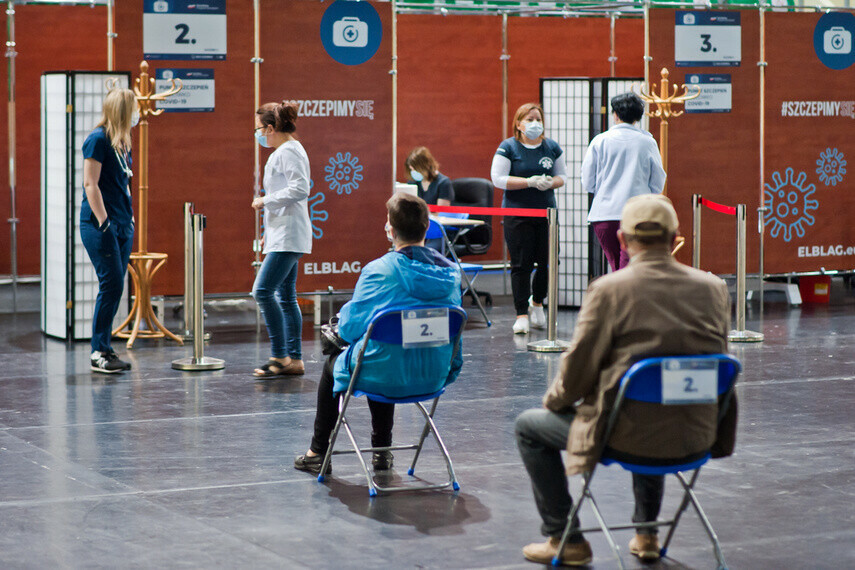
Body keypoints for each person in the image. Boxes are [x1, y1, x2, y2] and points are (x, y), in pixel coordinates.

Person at [514, 194, 735, 566]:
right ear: (675, 237)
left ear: (621, 238)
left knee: (529, 427)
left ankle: (565, 538)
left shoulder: (609, 290)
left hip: (624, 435)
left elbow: (577, 371)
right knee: (657, 396)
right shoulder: (713, 288)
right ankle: (647, 533)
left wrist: (554, 402)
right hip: (696, 433)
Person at [294, 193, 462, 475]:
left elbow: (349, 329)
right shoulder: (453, 275)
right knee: (381, 352)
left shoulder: (379, 271)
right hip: (433, 373)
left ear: (391, 230)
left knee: (359, 359)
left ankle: (317, 453)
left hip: (385, 372)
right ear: (426, 228)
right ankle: (382, 452)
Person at [491, 103, 566, 335]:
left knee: (549, 262)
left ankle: (538, 302)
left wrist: (549, 182)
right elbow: (498, 178)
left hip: (547, 215)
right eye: (530, 119)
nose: (535, 123)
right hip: (517, 215)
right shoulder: (508, 147)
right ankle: (521, 314)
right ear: (519, 123)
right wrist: (528, 182)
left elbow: (562, 176)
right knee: (521, 264)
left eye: (538, 119)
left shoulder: (551, 147)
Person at [251, 101, 312, 377]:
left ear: (270, 128)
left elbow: (300, 188)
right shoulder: (285, 151)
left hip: (289, 234)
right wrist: (268, 230)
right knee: (286, 297)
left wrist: (265, 200)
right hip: (282, 233)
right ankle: (294, 359)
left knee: (262, 291)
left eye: (258, 129)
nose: (258, 134)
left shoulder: (289, 151)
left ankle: (280, 355)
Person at [80, 88, 138, 374]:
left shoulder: (123, 141)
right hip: (100, 225)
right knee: (111, 284)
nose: (138, 114)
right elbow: (90, 184)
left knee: (116, 287)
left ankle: (105, 347)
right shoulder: (98, 139)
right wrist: (104, 223)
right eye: (135, 109)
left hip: (123, 222)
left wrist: (129, 218)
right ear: (124, 111)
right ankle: (98, 352)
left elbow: (122, 183)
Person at [581, 92, 667, 272]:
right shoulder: (647, 142)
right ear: (638, 116)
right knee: (631, 266)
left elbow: (587, 181)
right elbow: (658, 183)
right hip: (637, 214)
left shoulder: (600, 141)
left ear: (615, 114)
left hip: (604, 214)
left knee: (616, 266)